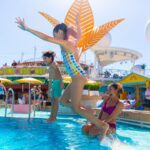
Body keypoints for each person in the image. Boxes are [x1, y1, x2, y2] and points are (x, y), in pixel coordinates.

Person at [16, 16, 109, 138]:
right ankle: (88, 111)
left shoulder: (66, 43)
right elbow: (78, 35)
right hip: (76, 76)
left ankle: (101, 125)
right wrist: (77, 24)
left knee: (75, 107)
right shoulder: (69, 42)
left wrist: (27, 28)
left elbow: (46, 38)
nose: (54, 38)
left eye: (55, 35)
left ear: (60, 32)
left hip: (78, 76)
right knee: (64, 101)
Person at [42, 51, 63, 122]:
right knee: (53, 101)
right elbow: (57, 76)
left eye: (45, 58)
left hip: (56, 83)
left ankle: (53, 118)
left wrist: (49, 89)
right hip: (56, 83)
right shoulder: (53, 64)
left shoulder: (53, 65)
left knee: (55, 102)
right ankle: (52, 117)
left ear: (50, 58)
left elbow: (54, 77)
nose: (44, 60)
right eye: (43, 58)